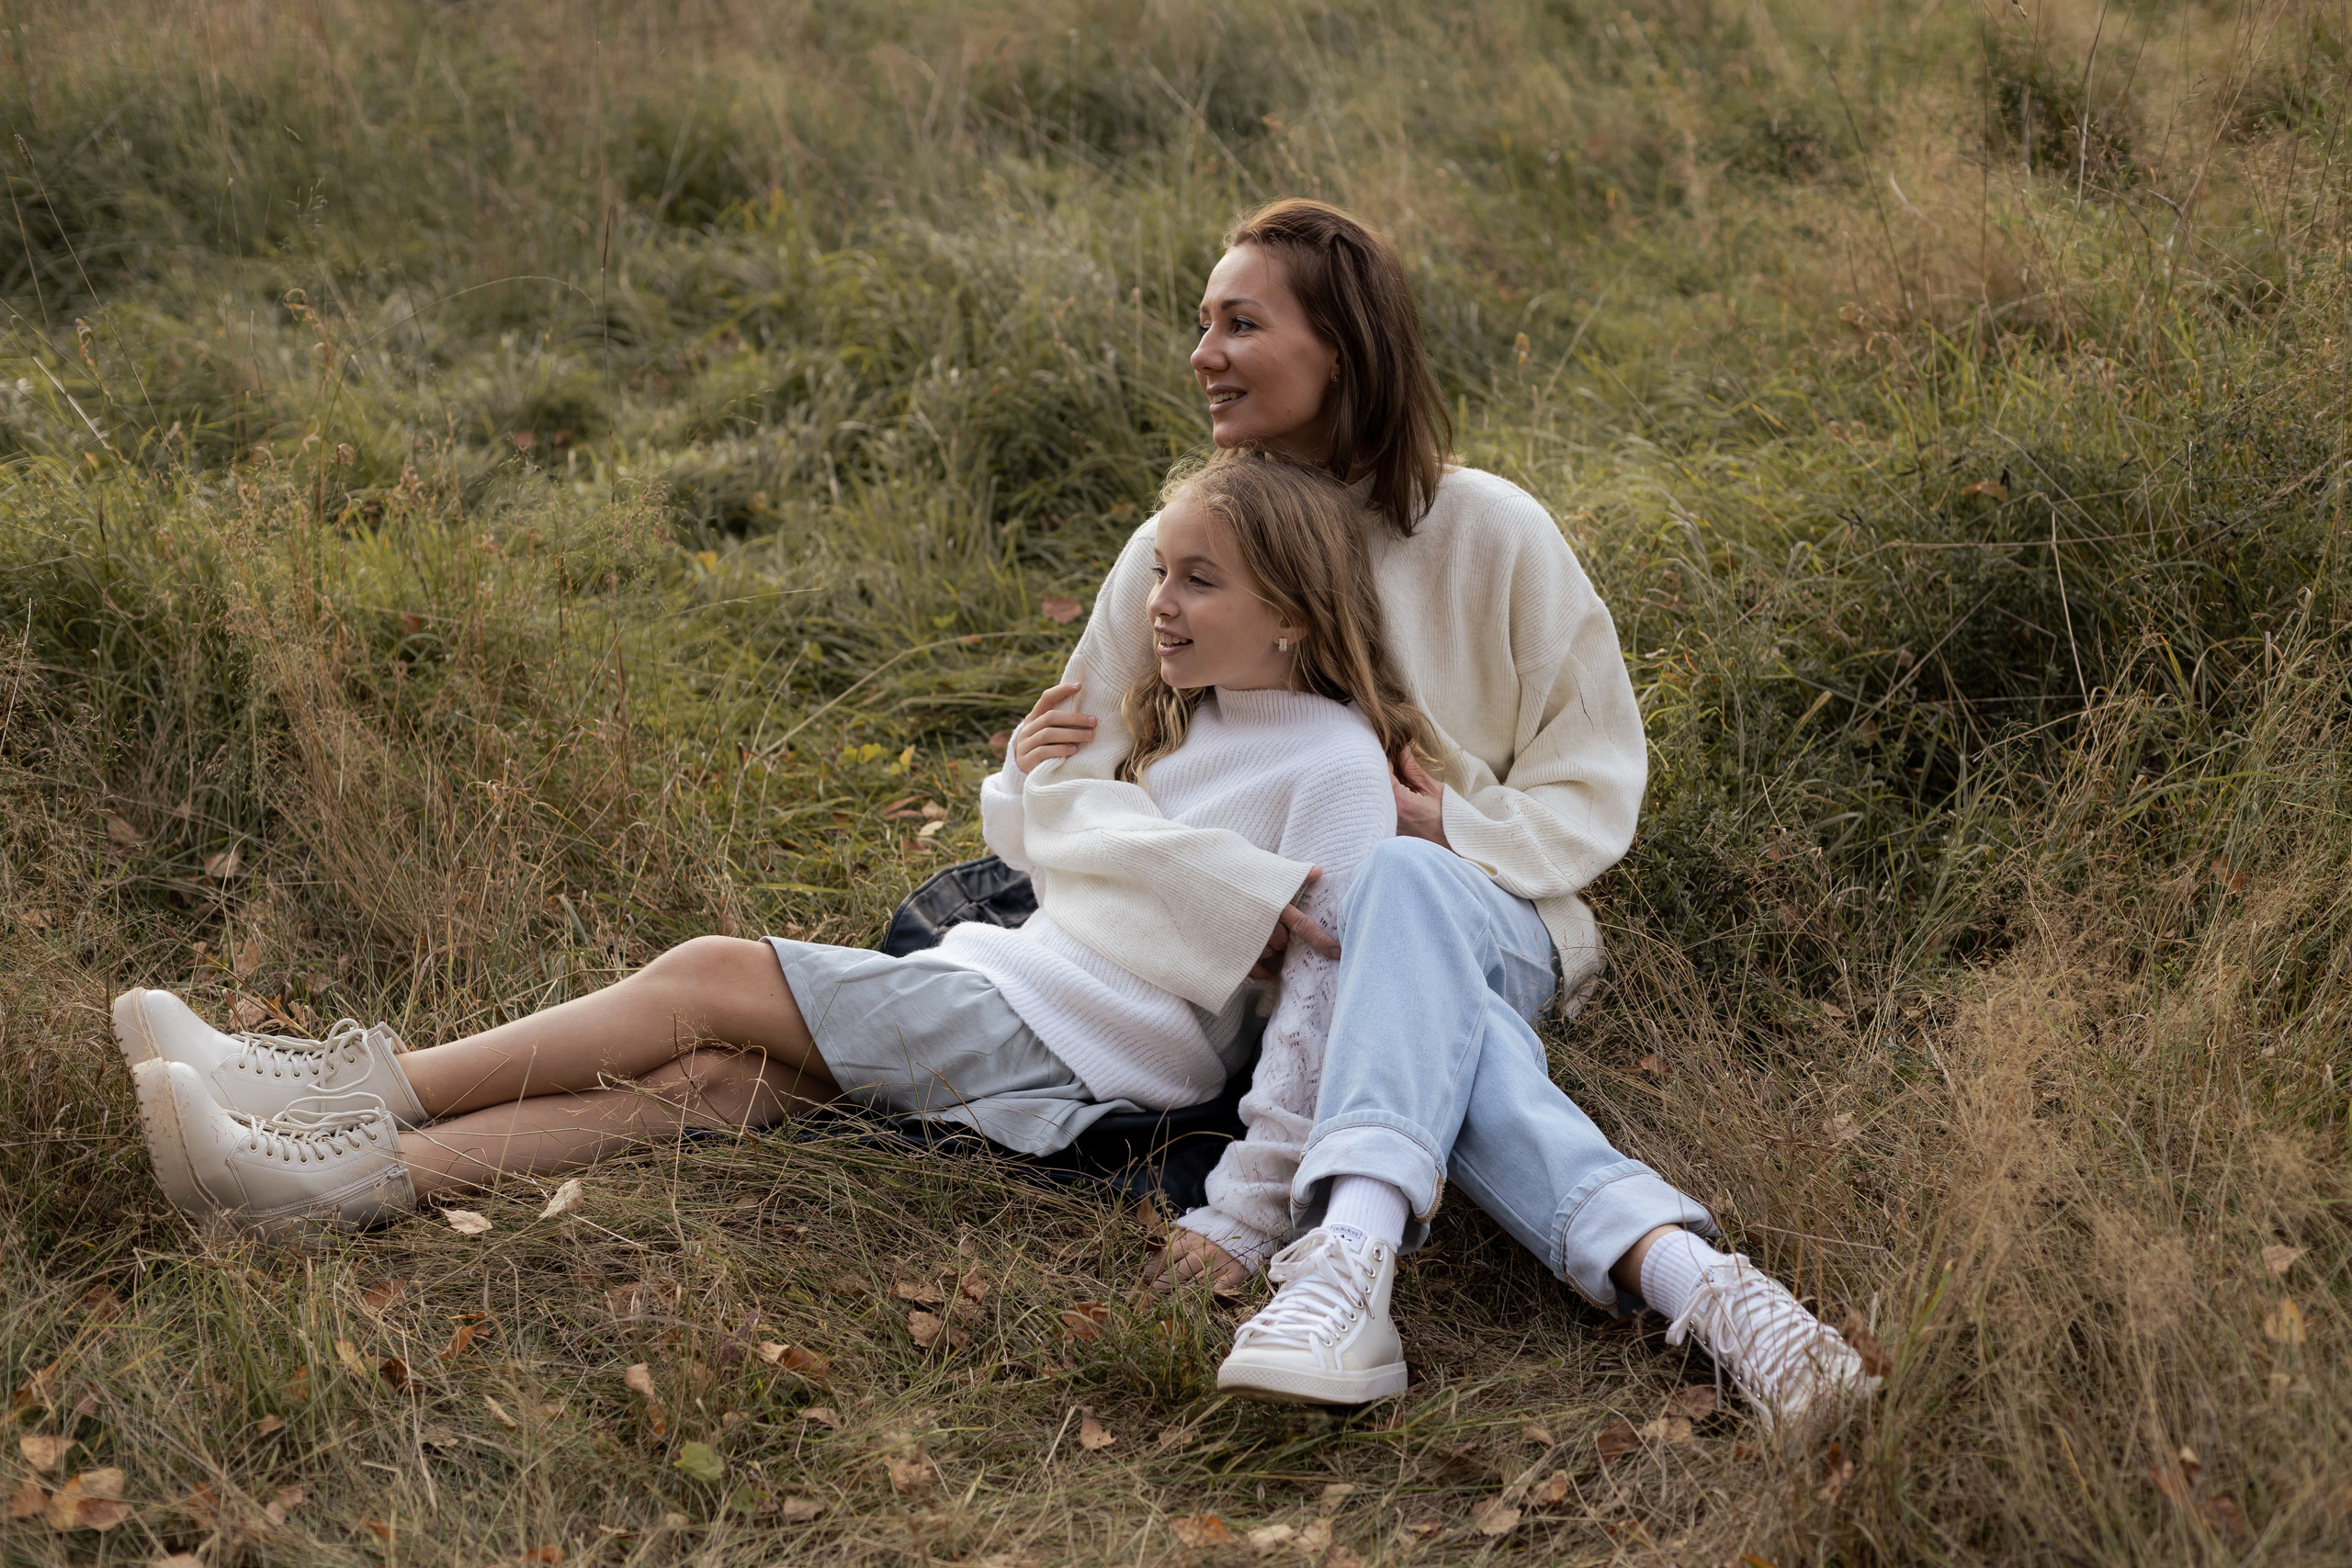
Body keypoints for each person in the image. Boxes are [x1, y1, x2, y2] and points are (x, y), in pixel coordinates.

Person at [117, 454, 1412, 1395]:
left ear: (1293, 609)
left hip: (1066, 1052)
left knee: (710, 974)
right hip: (1007, 993)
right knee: (715, 1085)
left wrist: (1243, 1218)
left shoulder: (1336, 770)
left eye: (1199, 581)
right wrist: (1032, 775)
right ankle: (316, 1187)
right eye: (1159, 576)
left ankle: (351, 1087)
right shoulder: (1197, 723)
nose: (1158, 607)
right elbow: (1095, 871)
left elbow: (1320, 1018)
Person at [1010, 198, 1874, 1428]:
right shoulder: (1181, 543)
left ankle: (1346, 1261)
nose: (1201, 354)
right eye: (1200, 324)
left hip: (1491, 915)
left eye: (1238, 325)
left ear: (1345, 352)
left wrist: (1453, 832)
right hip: (1284, 976)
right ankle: (1710, 1289)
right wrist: (1210, 896)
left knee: (1402, 887)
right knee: (1402, 954)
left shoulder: (1493, 531)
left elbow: (1593, 780)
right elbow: (1077, 783)